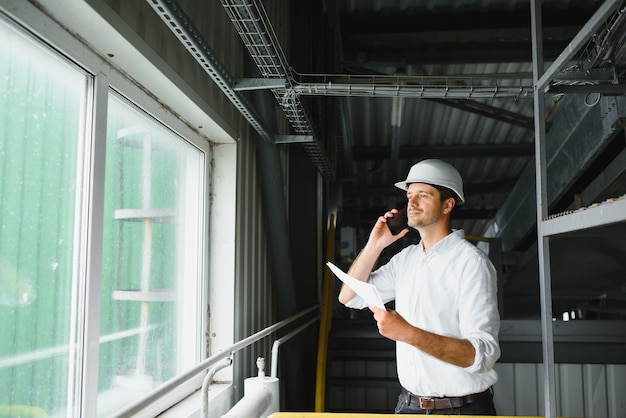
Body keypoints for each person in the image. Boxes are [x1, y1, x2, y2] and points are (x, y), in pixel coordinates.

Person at [338, 159, 500, 415]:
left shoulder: (471, 263)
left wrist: (408, 333)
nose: (411, 203)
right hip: (409, 406)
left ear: (448, 204)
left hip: (460, 410)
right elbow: (349, 296)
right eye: (409, 195)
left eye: (423, 195)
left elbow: (482, 355)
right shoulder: (406, 260)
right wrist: (375, 244)